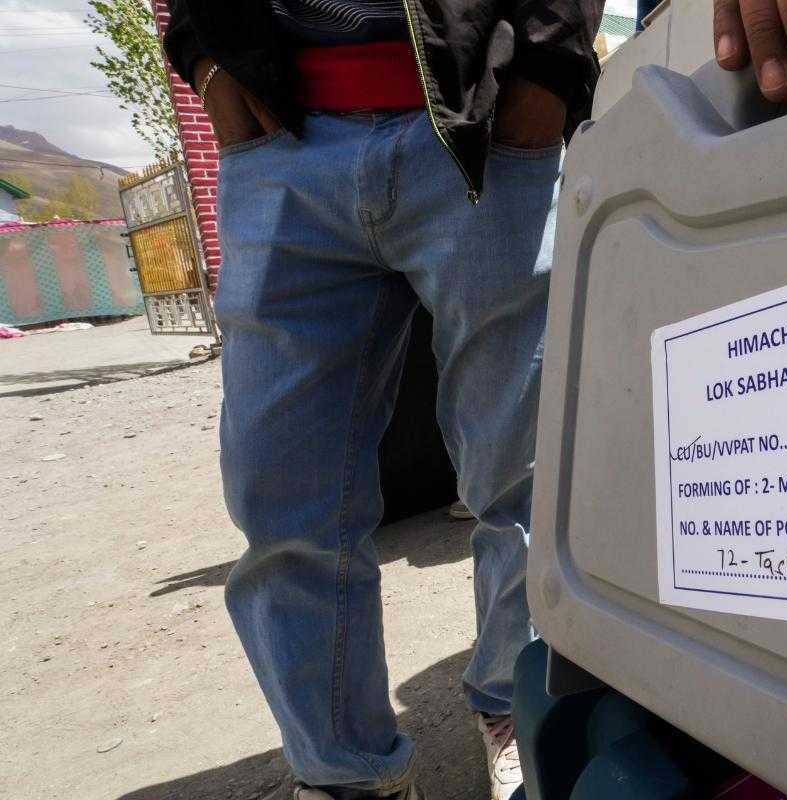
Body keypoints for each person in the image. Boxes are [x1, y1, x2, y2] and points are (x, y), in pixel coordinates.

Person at [162, 1, 602, 798]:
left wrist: (548, 67)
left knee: (522, 474)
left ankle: (514, 703)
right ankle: (345, 772)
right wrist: (206, 57)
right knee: (280, 494)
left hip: (489, 125)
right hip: (282, 141)